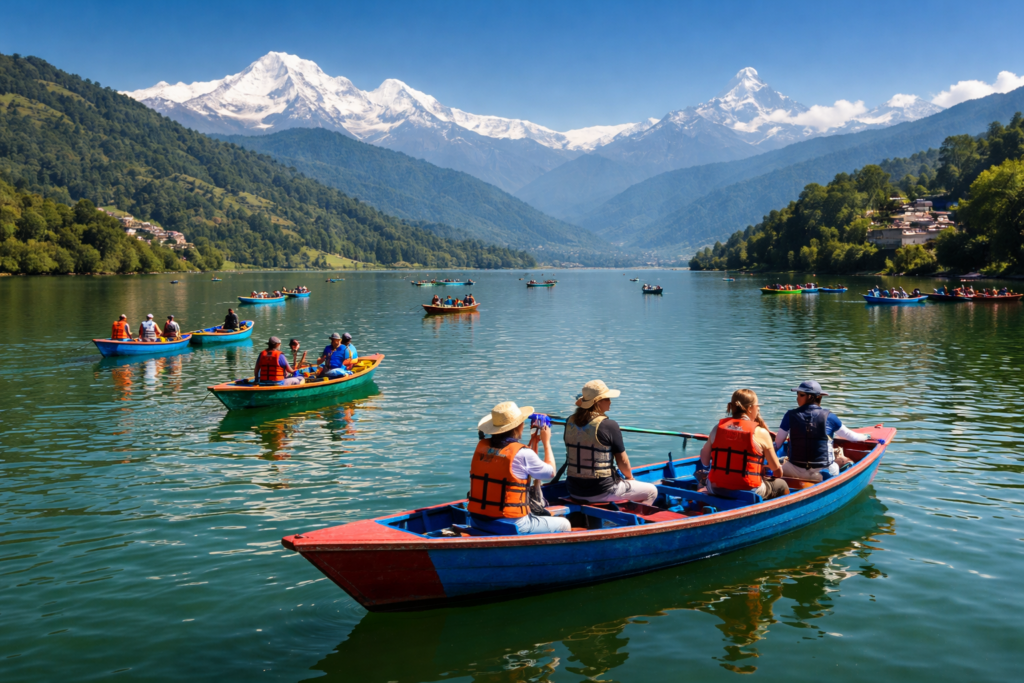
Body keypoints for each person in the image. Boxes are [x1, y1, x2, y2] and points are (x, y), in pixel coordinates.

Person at [469, 401, 571, 535]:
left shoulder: (482, 447)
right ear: (518, 426)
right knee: (564, 524)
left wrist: (533, 443)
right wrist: (546, 442)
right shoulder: (522, 453)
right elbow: (550, 472)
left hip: (477, 519)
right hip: (512, 523)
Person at [563, 380, 659, 505]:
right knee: (652, 491)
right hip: (602, 490)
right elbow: (622, 461)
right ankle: (638, 521)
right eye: (607, 398)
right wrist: (630, 479)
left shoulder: (570, 421)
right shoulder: (609, 425)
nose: (610, 401)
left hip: (573, 489)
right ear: (598, 402)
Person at [699, 389, 789, 500]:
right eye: (757, 406)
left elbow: (704, 460)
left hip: (715, 487)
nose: (758, 409)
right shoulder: (760, 432)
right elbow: (777, 471)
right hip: (749, 490)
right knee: (781, 484)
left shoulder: (717, 428)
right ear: (750, 408)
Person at [774, 380, 870, 482]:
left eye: (801, 395)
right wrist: (867, 436)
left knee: (780, 469)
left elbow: (778, 443)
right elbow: (852, 437)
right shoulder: (829, 417)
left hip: (793, 471)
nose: (797, 398)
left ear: (811, 397)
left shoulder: (789, 415)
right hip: (821, 473)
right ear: (820, 397)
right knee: (839, 465)